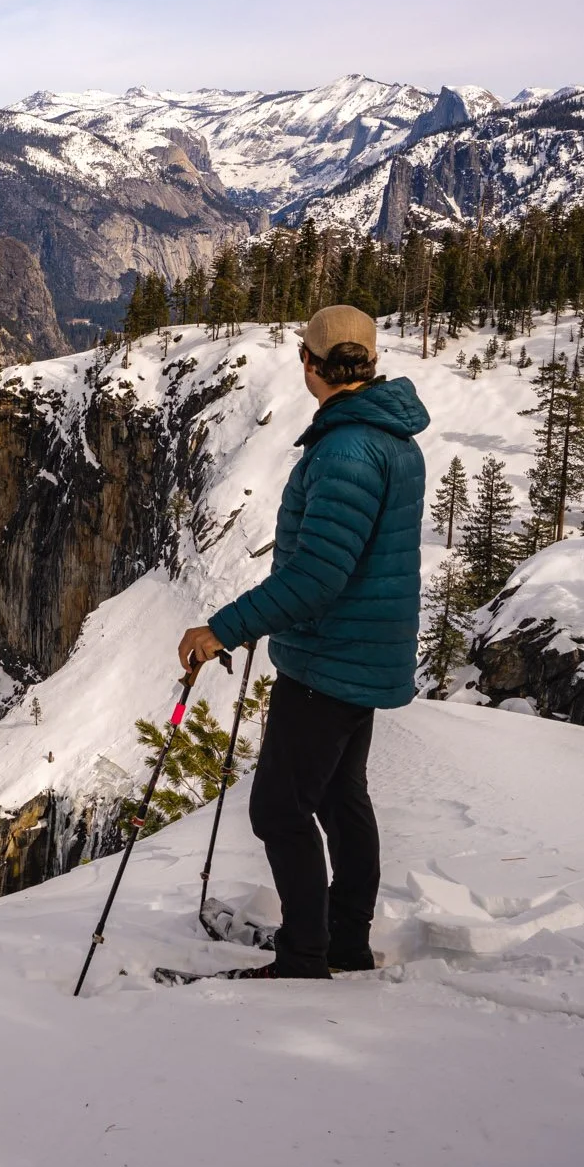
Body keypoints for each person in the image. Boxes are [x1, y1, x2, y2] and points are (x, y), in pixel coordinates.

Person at [176, 305, 427, 980]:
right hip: (364, 653)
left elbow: (318, 576)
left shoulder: (347, 449)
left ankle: (304, 954)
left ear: (310, 365)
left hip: (329, 658)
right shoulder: (392, 437)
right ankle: (342, 940)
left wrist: (222, 629)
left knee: (279, 809)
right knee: (342, 798)